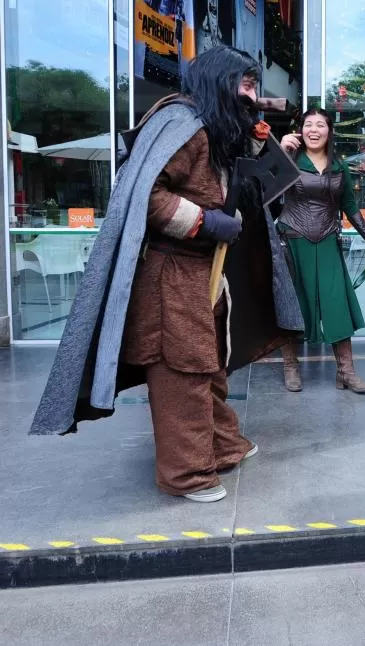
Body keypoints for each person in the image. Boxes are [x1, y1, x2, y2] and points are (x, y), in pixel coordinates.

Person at [29, 46, 304, 503]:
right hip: (171, 273)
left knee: (209, 362)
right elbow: (149, 194)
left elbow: (238, 177)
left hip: (204, 273)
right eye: (248, 84)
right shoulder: (183, 124)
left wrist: (256, 139)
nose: (254, 95)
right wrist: (203, 220)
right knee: (182, 372)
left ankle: (223, 446)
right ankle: (186, 474)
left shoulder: (212, 125)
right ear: (221, 80)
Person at [276, 108, 365, 394]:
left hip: (327, 240)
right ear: (300, 130)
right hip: (293, 241)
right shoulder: (288, 159)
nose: (313, 129)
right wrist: (277, 152)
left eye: (320, 125)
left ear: (329, 131)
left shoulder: (339, 165)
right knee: (294, 305)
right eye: (308, 124)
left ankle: (346, 372)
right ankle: (290, 367)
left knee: (337, 304)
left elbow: (349, 204)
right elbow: (264, 189)